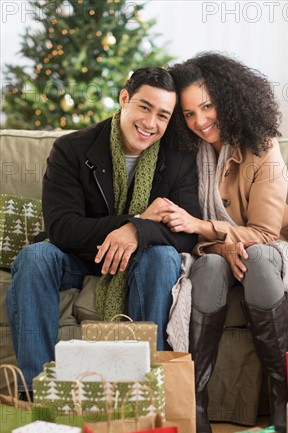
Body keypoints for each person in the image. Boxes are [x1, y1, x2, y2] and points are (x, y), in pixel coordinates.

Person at [6, 67, 201, 392]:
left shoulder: (178, 160)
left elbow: (186, 233)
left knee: (164, 256)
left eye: (163, 115)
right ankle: (35, 390)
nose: (151, 123)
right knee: (35, 256)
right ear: (124, 98)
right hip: (79, 258)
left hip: (140, 259)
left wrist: (136, 232)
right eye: (144, 107)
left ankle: (150, 388)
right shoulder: (71, 149)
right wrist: (135, 219)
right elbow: (62, 227)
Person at [163, 53, 288, 433]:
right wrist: (221, 243)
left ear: (229, 99)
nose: (199, 121)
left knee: (260, 257)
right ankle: (195, 404)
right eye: (188, 114)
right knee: (212, 269)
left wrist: (209, 228)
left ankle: (283, 399)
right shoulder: (183, 155)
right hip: (210, 256)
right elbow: (182, 235)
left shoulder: (262, 146)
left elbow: (266, 233)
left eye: (207, 106)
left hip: (264, 252)